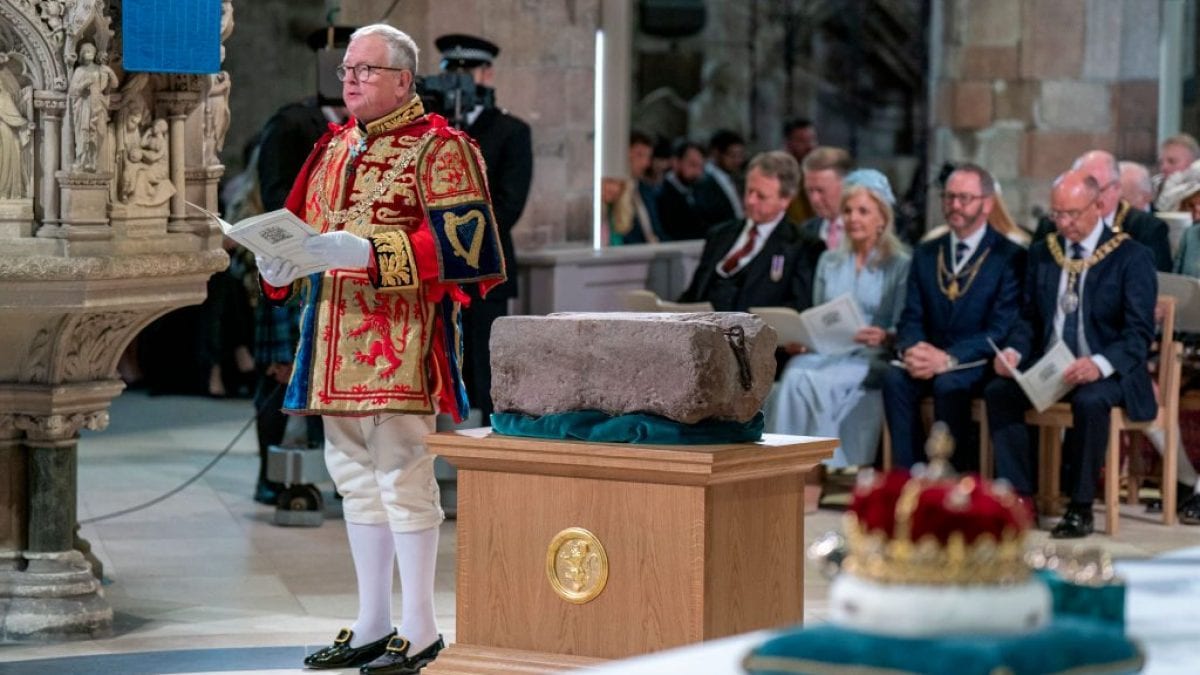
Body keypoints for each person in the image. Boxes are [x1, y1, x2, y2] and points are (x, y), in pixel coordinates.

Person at [256, 24, 505, 672]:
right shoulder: (332, 147)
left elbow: (469, 248)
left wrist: (369, 253)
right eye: (347, 70)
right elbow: (298, 227)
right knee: (353, 481)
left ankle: (420, 628)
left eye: (367, 69)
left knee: (403, 477)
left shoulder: (441, 147)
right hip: (334, 335)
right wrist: (278, 265)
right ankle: (372, 621)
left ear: (403, 79)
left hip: (403, 338)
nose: (352, 79)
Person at [987, 170, 1158, 538]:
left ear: (1098, 206)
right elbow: (1029, 318)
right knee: (999, 392)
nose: (1064, 224)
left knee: (1091, 401)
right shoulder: (1043, 254)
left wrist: (1098, 364)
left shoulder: (1131, 256)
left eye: (1073, 214)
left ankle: (1080, 507)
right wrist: (1015, 351)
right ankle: (1021, 499)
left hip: (1109, 371)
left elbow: (1139, 334)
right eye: (1057, 214)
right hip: (1052, 367)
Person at [883, 163, 1026, 471]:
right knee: (894, 379)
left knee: (949, 385)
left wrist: (948, 358)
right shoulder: (926, 252)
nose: (955, 206)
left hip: (974, 360)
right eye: (949, 198)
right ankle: (908, 480)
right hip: (928, 357)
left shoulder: (1009, 256)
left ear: (987, 204)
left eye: (965, 198)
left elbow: (1002, 327)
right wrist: (913, 349)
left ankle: (956, 480)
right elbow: (911, 315)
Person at [770, 169, 910, 468]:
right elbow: (821, 315)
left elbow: (903, 323)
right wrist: (807, 338)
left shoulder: (900, 264)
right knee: (795, 373)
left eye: (863, 211)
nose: (853, 218)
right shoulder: (829, 261)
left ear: (882, 218)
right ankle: (786, 465)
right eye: (847, 211)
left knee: (822, 381)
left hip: (871, 355)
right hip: (830, 351)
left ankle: (832, 467)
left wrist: (885, 334)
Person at [435, 32, 532, 420]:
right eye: (450, 72)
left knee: (485, 364)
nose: (460, 82)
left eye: (469, 72)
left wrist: (458, 236)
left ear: (486, 75)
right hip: (437, 265)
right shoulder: (434, 128)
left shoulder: (509, 131)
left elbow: (509, 204)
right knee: (445, 361)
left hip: (487, 265)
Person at [678, 150, 824, 313]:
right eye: (749, 191)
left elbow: (796, 309)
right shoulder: (719, 235)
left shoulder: (803, 246)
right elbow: (692, 295)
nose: (750, 201)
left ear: (785, 200)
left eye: (761, 196)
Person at [1034, 150, 1172, 272]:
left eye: (1098, 190)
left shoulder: (1146, 229)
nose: (1090, 199)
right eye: (1083, 191)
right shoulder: (1052, 226)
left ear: (1117, 188)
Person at [68, 42, 118, 173]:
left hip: (98, 104)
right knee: (83, 133)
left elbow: (115, 84)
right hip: (84, 105)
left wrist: (110, 72)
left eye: (91, 51)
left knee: (98, 133)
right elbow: (72, 91)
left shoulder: (101, 69)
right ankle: (80, 160)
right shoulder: (79, 70)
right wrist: (85, 83)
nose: (89, 53)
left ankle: (93, 161)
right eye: (86, 51)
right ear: (81, 55)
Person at [608, 130, 664, 245]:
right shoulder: (611, 191)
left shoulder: (646, 190)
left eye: (648, 157)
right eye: (640, 155)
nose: (645, 163)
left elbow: (657, 230)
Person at [798, 146, 853, 250]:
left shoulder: (870, 229)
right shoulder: (804, 232)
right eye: (809, 191)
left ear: (846, 185)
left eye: (820, 191)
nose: (814, 199)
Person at [692, 128, 746, 226]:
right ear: (716, 153)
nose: (738, 161)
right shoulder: (704, 181)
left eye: (740, 155)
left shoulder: (737, 179)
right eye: (732, 155)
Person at [656, 139, 708, 240]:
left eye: (701, 167)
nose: (697, 172)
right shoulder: (662, 194)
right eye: (692, 165)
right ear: (676, 163)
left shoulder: (699, 189)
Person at [782, 118, 818, 224]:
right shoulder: (781, 176)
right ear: (788, 144)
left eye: (812, 140)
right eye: (802, 141)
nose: (810, 146)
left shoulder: (818, 175)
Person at [1155, 133, 1200, 198]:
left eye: (1172, 161)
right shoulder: (1152, 190)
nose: (1164, 167)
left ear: (1194, 165)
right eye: (1161, 162)